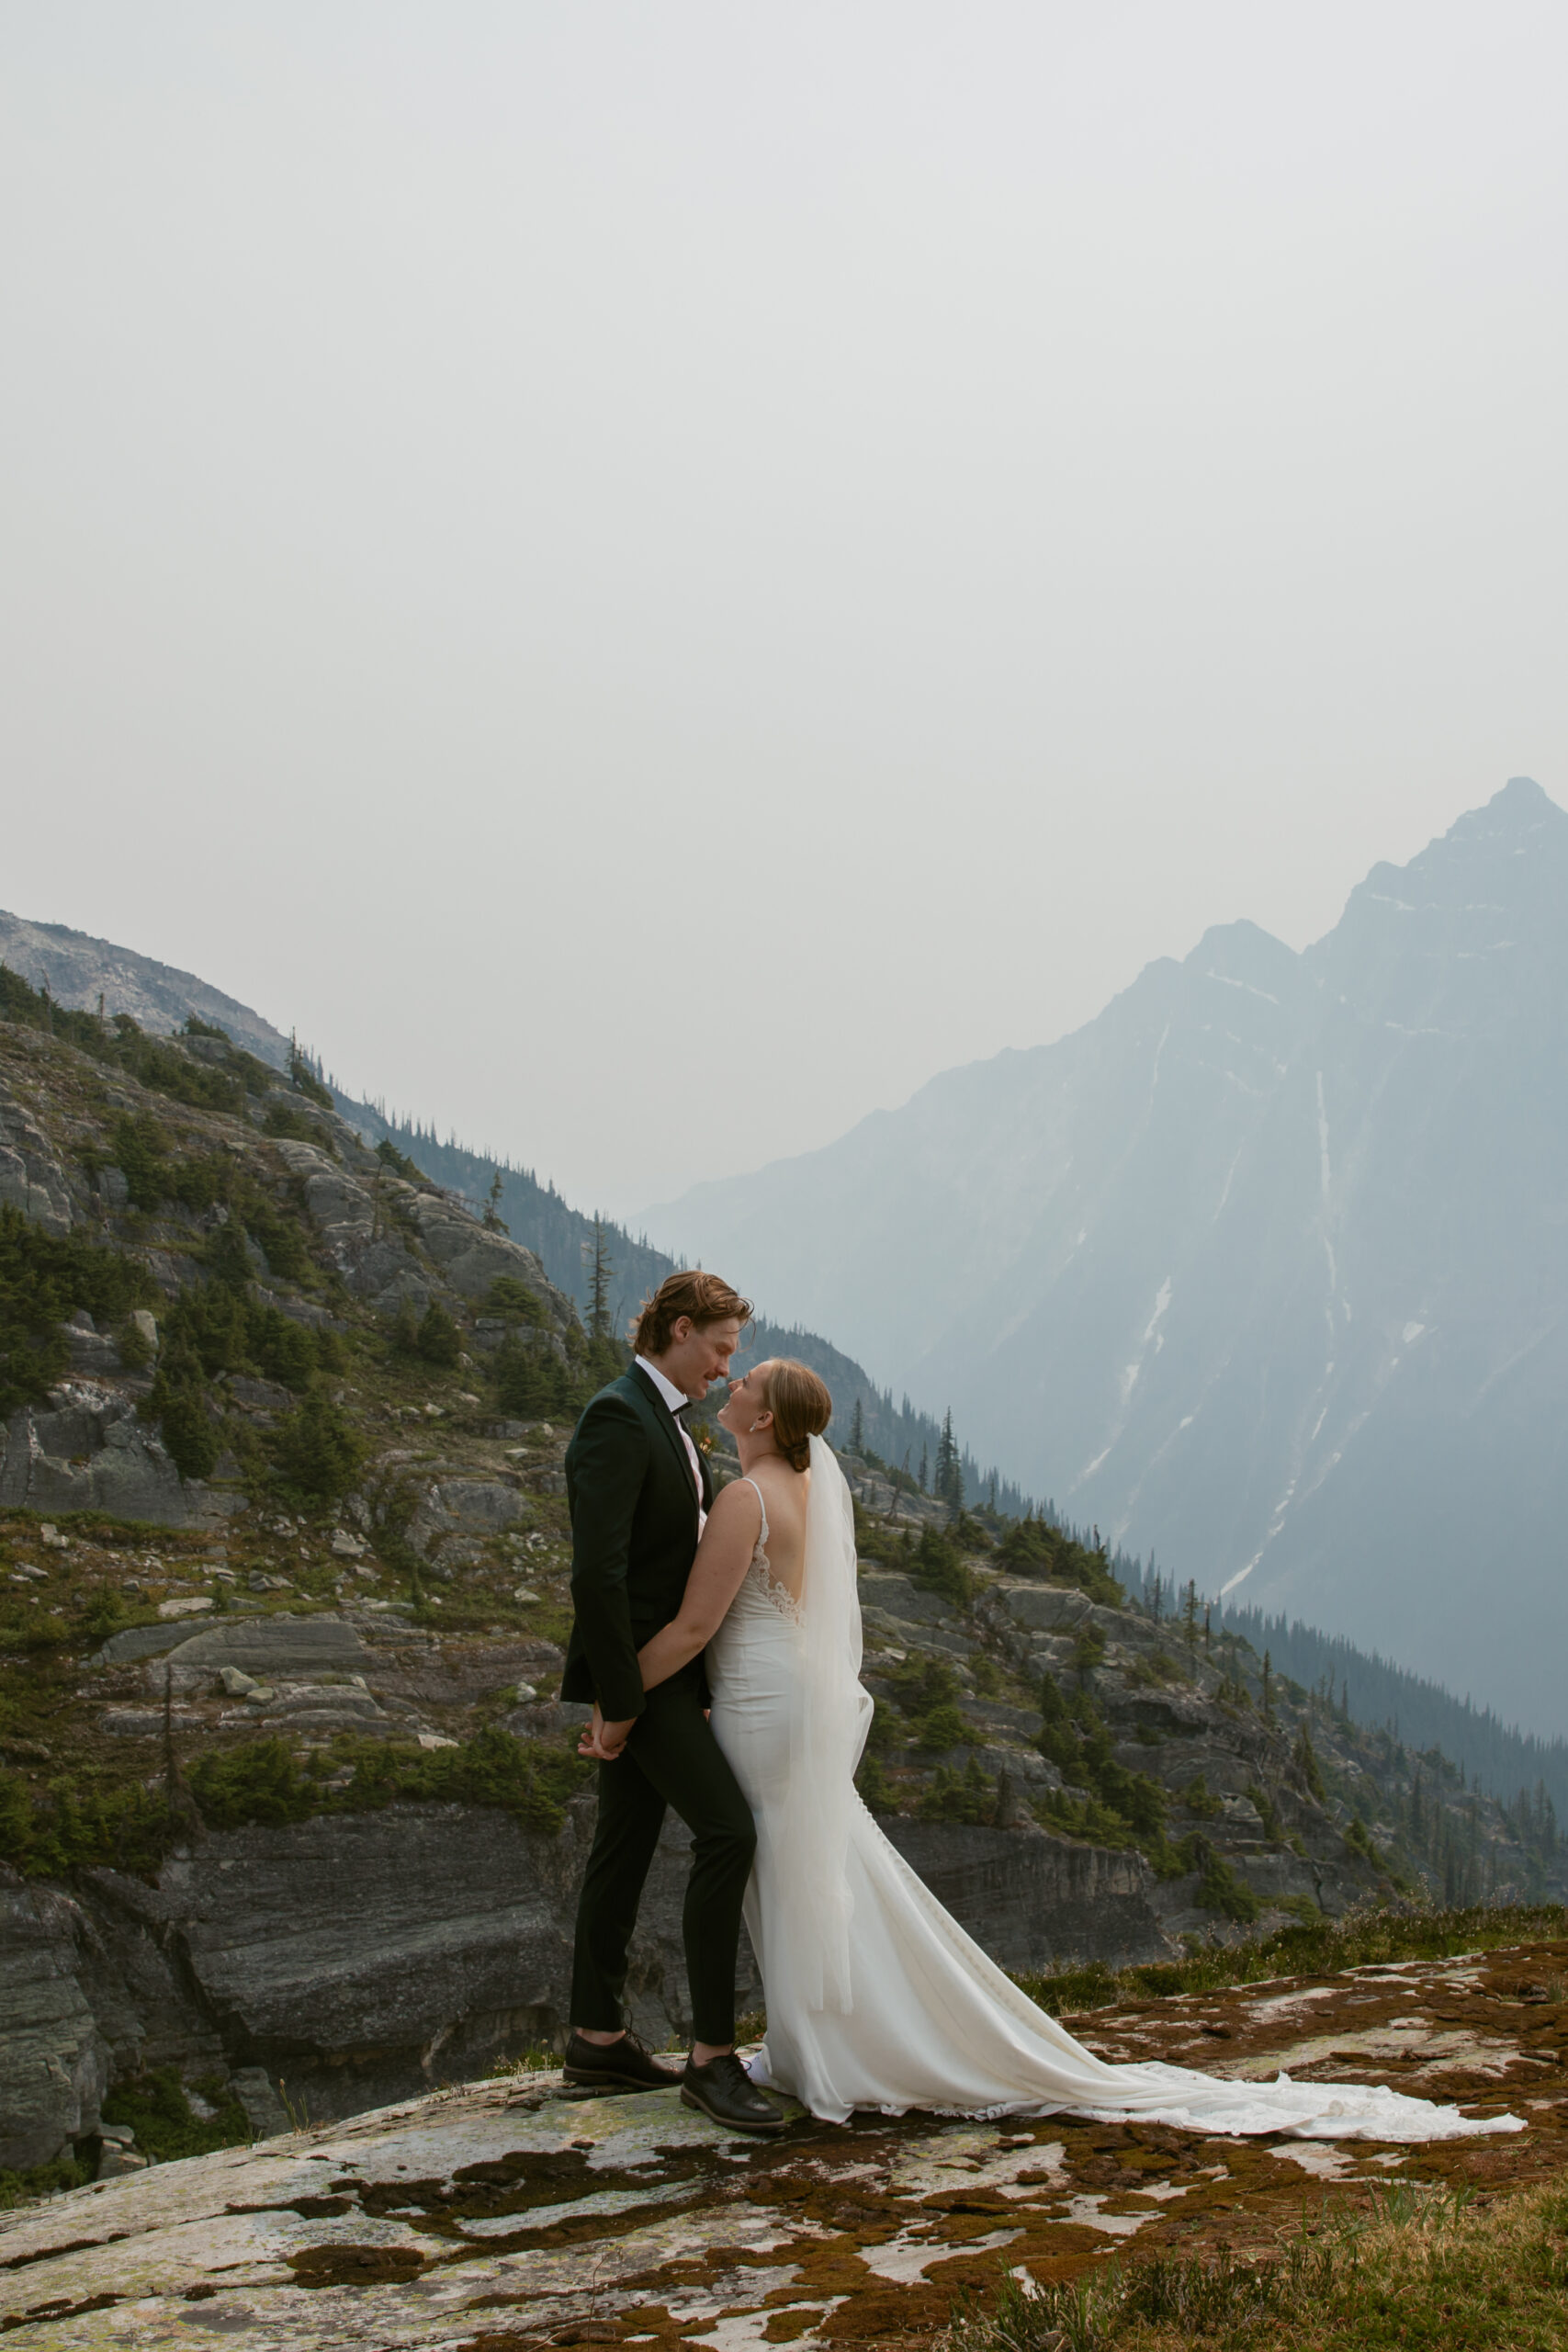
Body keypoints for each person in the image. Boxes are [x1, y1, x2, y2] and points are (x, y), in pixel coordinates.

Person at [585, 1359, 1523, 2142]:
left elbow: (699, 1622)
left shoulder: (749, 1495)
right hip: (785, 1700)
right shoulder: (803, 1492)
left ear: (766, 1416)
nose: (731, 1382)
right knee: (807, 1862)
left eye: (744, 1381)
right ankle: (823, 2035)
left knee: (779, 1864)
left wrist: (617, 1703)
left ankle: (822, 2045)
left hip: (756, 1704)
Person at [560, 1269, 786, 2133]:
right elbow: (599, 1573)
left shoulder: (665, 1419)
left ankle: (596, 2036)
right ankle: (710, 2059)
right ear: (681, 1329)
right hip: (641, 1679)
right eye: (721, 1350)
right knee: (728, 1833)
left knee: (622, 1845)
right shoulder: (619, 1415)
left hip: (659, 1679)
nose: (727, 1371)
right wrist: (622, 1700)